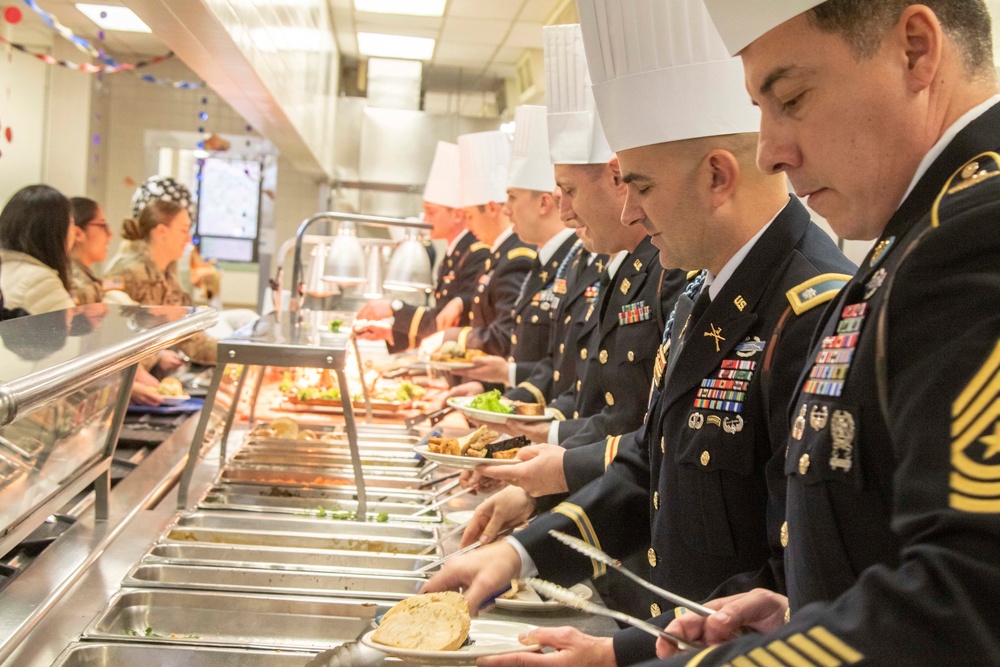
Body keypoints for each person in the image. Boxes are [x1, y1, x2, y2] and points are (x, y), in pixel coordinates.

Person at [424, 3, 856, 665]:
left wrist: (619, 655)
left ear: (718, 176)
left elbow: (792, 583)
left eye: (642, 185)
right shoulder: (701, 293)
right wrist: (520, 552)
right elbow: (651, 464)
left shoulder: (812, 310)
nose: (628, 210)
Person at [639, 1, 1000, 665]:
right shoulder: (918, 236)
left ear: (915, 51)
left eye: (792, 98)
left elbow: (972, 601)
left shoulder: (977, 234)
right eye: (759, 110)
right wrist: (805, 612)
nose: (771, 152)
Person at [447, 104, 580, 392]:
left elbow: (571, 373)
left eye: (512, 197)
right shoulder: (544, 263)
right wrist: (492, 384)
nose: (506, 210)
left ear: (544, 203)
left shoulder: (574, 265)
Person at [356, 141, 490, 352]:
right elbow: (438, 321)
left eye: (431, 212)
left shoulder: (477, 253)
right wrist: (391, 333)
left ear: (457, 215)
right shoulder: (453, 253)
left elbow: (451, 322)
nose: (425, 219)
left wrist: (394, 308)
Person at [428, 131, 537, 359]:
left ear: (491, 208)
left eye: (469, 215)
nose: (468, 225)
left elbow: (506, 334)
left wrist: (454, 337)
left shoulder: (516, 256)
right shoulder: (499, 254)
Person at [104, 200, 217, 365]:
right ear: (161, 231)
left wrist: (236, 352)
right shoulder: (127, 272)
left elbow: (192, 341)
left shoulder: (168, 280)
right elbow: (107, 338)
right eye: (184, 231)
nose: (188, 239)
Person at [0, 184, 76, 314]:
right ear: (55, 230)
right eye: (72, 223)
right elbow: (67, 331)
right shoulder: (40, 281)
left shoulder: (7, 267)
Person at [68, 197, 112, 306]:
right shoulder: (72, 281)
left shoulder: (83, 277)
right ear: (78, 233)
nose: (110, 235)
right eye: (103, 226)